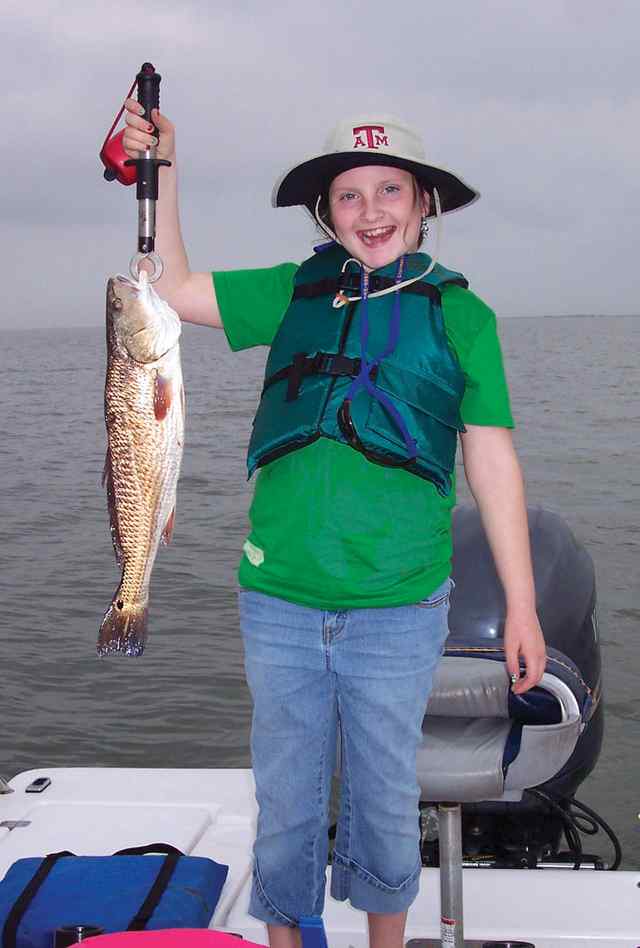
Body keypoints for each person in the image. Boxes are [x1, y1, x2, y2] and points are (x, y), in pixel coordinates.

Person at [123, 104, 547, 948]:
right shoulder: (291, 290)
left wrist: (523, 606)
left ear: (424, 202)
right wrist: (164, 164)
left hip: (400, 605)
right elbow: (166, 287)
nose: (372, 210)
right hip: (276, 599)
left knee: (385, 798)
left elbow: (493, 464)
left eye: (391, 190)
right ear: (326, 213)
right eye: (348, 196)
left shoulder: (465, 317)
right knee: (285, 798)